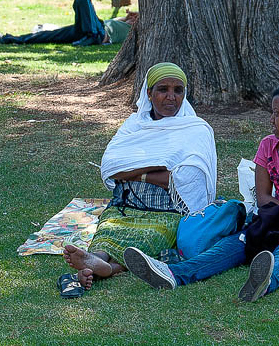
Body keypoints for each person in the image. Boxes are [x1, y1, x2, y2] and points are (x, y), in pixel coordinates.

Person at [125, 69, 279, 303]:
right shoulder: (268, 145)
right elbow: (262, 199)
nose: (271, 120)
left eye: (277, 113)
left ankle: (266, 282)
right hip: (278, 219)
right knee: (232, 245)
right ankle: (172, 274)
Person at [61, 63, 217, 291]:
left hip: (168, 212)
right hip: (124, 206)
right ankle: (95, 258)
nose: (171, 97)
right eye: (163, 89)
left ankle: (102, 267)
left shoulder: (196, 130)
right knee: (108, 233)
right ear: (149, 93)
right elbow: (112, 166)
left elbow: (184, 179)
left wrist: (134, 172)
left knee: (147, 240)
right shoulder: (134, 125)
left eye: (178, 90)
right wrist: (155, 170)